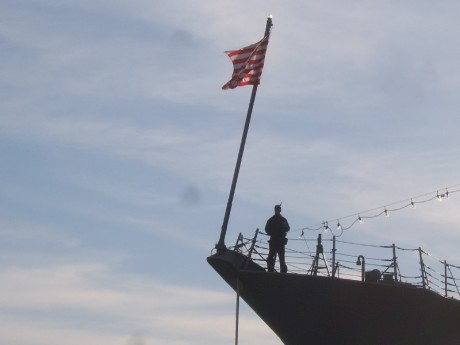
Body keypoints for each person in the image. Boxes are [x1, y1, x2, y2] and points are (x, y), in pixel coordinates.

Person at [265, 204, 290, 273]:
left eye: (278, 209)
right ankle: (270, 270)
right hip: (274, 240)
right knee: (271, 256)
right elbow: (266, 229)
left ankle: (283, 271)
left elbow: (288, 228)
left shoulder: (283, 220)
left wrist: (281, 230)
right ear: (275, 210)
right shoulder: (271, 220)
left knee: (281, 258)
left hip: (280, 241)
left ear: (280, 210)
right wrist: (273, 232)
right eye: (276, 209)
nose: (277, 210)